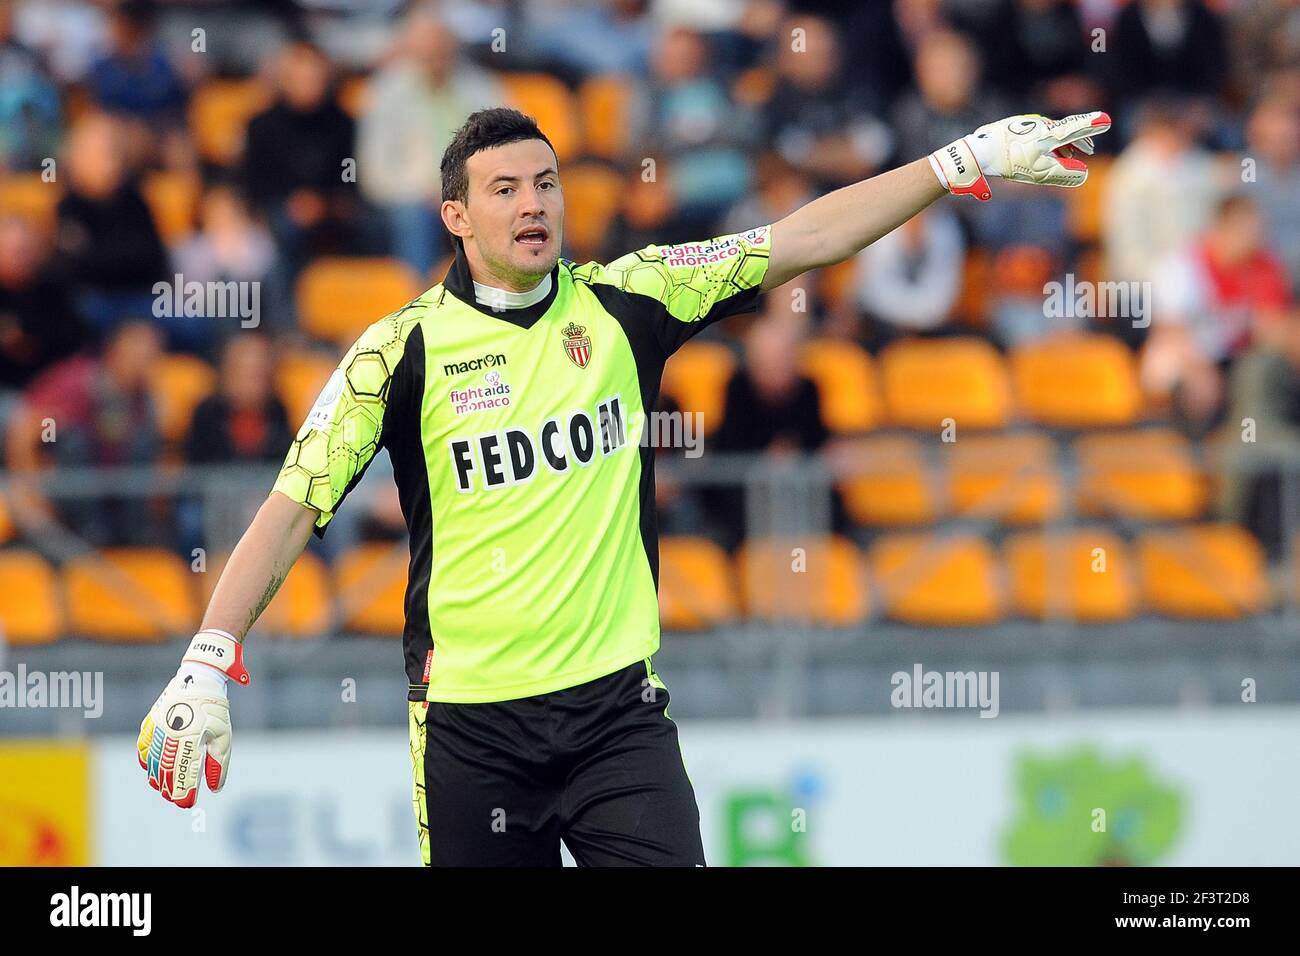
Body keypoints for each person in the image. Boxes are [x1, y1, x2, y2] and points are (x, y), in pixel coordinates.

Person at [137, 106, 1111, 865]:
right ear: (455, 215)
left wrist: (955, 165)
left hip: (616, 715)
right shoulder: (400, 352)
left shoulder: (628, 299)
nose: (532, 204)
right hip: (471, 728)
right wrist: (208, 656)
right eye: (505, 187)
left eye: (547, 183)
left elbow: (800, 239)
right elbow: (293, 503)